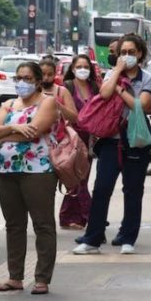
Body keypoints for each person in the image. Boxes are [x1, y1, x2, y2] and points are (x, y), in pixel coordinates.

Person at [73, 33, 151, 255]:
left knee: (133, 190)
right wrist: (118, 72)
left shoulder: (147, 79)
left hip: (136, 141)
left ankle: (128, 237)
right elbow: (104, 93)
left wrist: (121, 90)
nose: (127, 56)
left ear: (140, 54)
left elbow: (143, 106)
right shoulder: (112, 74)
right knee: (101, 188)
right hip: (110, 141)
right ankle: (93, 238)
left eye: (131, 52)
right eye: (123, 52)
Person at [0, 61, 58, 294]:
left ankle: (42, 279)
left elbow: (35, 132)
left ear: (38, 81)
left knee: (42, 224)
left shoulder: (47, 102)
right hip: (7, 170)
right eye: (18, 77)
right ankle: (15, 277)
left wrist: (4, 137)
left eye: (27, 78)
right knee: (14, 225)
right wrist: (17, 129)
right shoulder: (9, 103)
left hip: (37, 171)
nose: (21, 82)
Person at [57, 54, 99, 230]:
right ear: (73, 69)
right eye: (79, 66)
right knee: (76, 179)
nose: (83, 69)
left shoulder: (94, 87)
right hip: (72, 137)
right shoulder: (67, 87)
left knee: (82, 178)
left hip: (90, 138)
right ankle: (91, 215)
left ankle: (70, 216)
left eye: (86, 66)